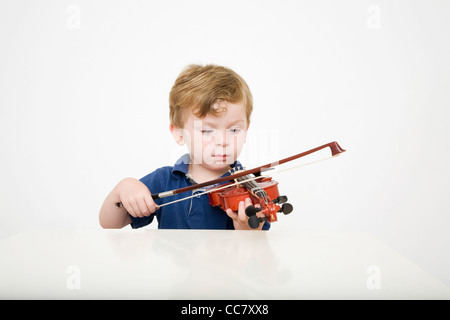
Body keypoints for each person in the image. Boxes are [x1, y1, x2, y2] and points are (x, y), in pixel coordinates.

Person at [99, 64, 270, 230]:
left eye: (234, 129)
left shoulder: (250, 188)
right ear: (179, 133)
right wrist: (123, 188)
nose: (222, 141)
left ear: (246, 131)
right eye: (207, 130)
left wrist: (248, 230)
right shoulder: (164, 180)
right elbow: (110, 224)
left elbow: (256, 254)